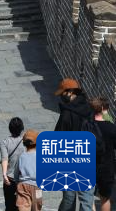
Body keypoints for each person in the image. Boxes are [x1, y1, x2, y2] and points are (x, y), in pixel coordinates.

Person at [55, 78, 94, 211]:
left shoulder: (67, 113)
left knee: (69, 198)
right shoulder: (89, 109)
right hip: (88, 159)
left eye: (62, 93)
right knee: (87, 199)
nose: (61, 96)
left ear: (70, 92)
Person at [89, 98, 116, 211]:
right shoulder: (111, 128)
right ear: (104, 110)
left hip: (89, 166)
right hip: (106, 166)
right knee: (105, 198)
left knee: (88, 198)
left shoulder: (86, 126)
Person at [0, 117, 26, 211]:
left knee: (9, 205)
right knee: (23, 205)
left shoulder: (4, 142)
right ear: (22, 129)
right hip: (23, 179)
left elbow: (4, 159)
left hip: (10, 179)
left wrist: (4, 174)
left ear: (10, 129)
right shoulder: (26, 142)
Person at [16, 130, 42, 211]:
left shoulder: (21, 156)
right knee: (37, 207)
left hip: (23, 186)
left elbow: (16, 173)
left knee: (23, 207)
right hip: (37, 186)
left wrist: (17, 182)